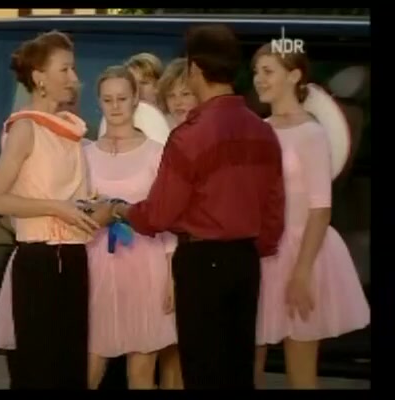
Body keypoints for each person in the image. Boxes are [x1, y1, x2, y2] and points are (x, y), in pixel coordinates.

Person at [112, 24, 286, 389]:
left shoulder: (190, 136)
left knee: (204, 370)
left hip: (202, 262)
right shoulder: (263, 131)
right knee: (237, 372)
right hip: (245, 260)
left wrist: (119, 210)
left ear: (195, 68)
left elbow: (159, 213)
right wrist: (254, 248)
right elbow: (274, 208)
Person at [0, 30, 113, 389]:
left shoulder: (68, 129)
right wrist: (57, 208)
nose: (74, 78)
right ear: (39, 77)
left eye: (73, 69)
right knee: (40, 369)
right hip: (40, 260)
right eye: (65, 69)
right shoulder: (25, 128)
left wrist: (97, 209)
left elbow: (74, 196)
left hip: (73, 257)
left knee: (70, 369)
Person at [252, 44, 371, 389]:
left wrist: (302, 272)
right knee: (249, 364)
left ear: (294, 75)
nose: (259, 79)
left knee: (300, 368)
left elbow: (320, 208)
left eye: (268, 71)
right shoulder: (259, 129)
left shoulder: (311, 133)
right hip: (262, 250)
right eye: (257, 71)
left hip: (303, 250)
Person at [84, 66, 178, 390]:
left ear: (136, 98)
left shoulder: (157, 153)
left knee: (141, 369)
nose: (115, 106)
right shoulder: (85, 154)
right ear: (99, 102)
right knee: (90, 363)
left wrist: (172, 275)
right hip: (97, 262)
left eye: (122, 98)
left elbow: (167, 219)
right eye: (108, 99)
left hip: (147, 262)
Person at [156, 58, 199, 129]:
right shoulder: (159, 128)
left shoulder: (212, 128)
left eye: (185, 94)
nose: (177, 103)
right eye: (171, 95)